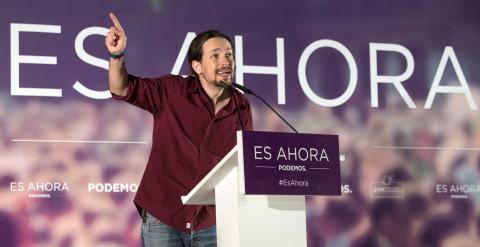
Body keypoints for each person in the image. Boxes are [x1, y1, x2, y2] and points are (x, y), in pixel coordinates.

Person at [105, 12, 253, 247]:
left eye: (229, 55)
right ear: (197, 66)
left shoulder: (241, 104)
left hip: (212, 221)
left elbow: (244, 159)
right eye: (215, 56)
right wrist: (117, 54)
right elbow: (122, 88)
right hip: (165, 217)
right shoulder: (172, 90)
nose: (225, 61)